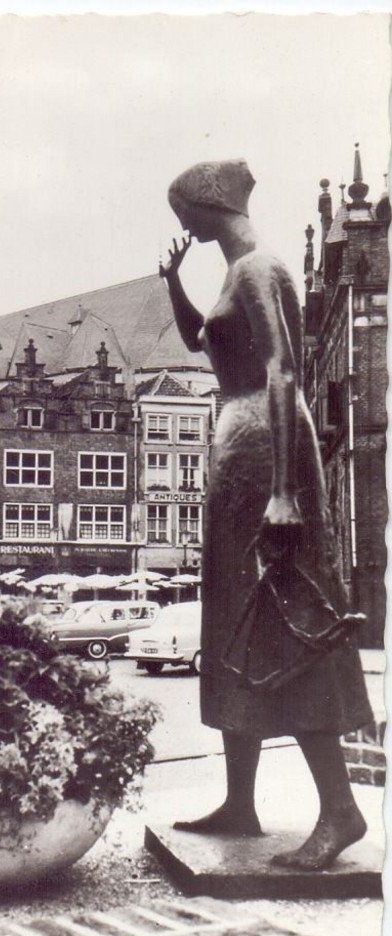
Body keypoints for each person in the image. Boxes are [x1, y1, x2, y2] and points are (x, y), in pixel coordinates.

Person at [159, 159, 373, 871]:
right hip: (241, 443)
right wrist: (172, 286)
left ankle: (340, 812)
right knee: (233, 620)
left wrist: (285, 490)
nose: (181, 222)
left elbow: (283, 370)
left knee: (286, 623)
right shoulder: (233, 272)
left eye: (184, 208)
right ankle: (240, 801)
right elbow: (205, 345)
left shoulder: (260, 268)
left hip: (265, 446)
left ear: (210, 201)